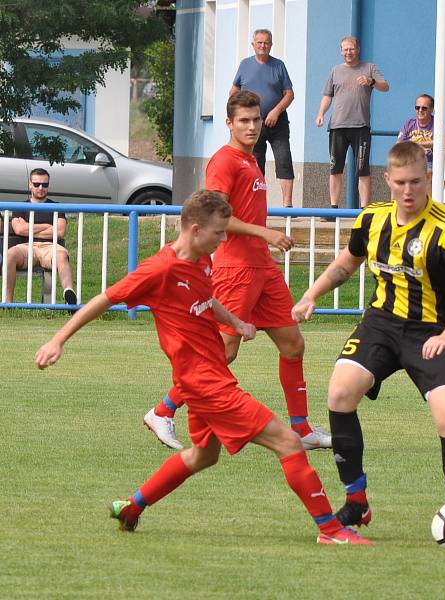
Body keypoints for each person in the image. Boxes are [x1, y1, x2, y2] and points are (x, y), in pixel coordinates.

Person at [34, 190, 371, 546]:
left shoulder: (202, 261)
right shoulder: (159, 269)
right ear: (195, 230)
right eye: (218, 233)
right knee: (288, 442)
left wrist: (236, 323)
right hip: (205, 384)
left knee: (202, 455)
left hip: (209, 379)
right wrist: (58, 340)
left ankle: (132, 506)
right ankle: (330, 530)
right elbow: (104, 299)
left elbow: (207, 299)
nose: (224, 240)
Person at [291, 142, 445, 528]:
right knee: (340, 393)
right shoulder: (372, 219)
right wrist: (311, 294)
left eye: (415, 181)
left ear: (428, 178)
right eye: (400, 183)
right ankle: (356, 501)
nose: (408, 191)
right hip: (381, 324)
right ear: (387, 180)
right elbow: (346, 264)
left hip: (431, 331)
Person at [143, 91, 330, 453]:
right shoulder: (224, 161)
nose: (252, 126)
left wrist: (264, 240)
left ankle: (302, 428)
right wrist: (266, 232)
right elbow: (215, 216)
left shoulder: (250, 160)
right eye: (244, 120)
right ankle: (162, 411)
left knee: (293, 345)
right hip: (235, 269)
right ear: (228, 123)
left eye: (256, 119)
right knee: (221, 353)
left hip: (262, 267)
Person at [315, 36, 389, 209]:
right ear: (341, 51)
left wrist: (371, 81)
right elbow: (327, 95)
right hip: (337, 126)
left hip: (361, 126)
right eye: (345, 49)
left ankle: (364, 208)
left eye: (351, 49)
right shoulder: (335, 70)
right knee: (335, 169)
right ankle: (333, 207)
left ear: (358, 49)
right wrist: (320, 113)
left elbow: (385, 86)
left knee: (362, 169)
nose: (348, 52)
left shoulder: (369, 68)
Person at [230, 29, 295, 208]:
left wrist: (276, 111)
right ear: (253, 45)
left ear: (271, 45)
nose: (262, 46)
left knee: (284, 160)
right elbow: (234, 92)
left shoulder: (278, 66)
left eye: (266, 43)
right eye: (259, 42)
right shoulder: (245, 65)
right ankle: (254, 204)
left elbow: (289, 94)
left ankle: (287, 205)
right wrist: (235, 116)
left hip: (277, 122)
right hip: (253, 123)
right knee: (255, 164)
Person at [3, 168, 77, 305]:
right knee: (10, 254)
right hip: (26, 247)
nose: (41, 188)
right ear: (30, 184)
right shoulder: (20, 207)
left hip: (50, 247)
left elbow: (60, 231)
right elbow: (19, 229)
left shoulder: (56, 207)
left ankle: (69, 293)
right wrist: (47, 227)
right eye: (36, 184)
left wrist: (28, 227)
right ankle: (8, 304)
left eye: (45, 184)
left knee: (61, 255)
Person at [396, 93, 445, 171]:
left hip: (429, 164)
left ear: (431, 110)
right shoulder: (409, 123)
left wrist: (420, 143)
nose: (420, 110)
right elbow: (398, 145)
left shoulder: (437, 123)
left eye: (424, 108)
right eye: (417, 107)